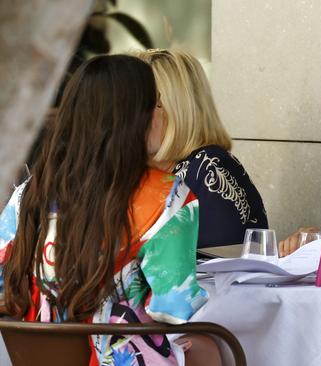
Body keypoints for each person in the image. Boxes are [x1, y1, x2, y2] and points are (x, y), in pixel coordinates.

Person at [0, 55, 218, 365]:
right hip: (121, 359)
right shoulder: (169, 198)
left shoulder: (29, 195)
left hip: (36, 357)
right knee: (209, 343)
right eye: (156, 103)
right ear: (134, 117)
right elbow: (175, 308)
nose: (163, 113)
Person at [135, 49, 268, 249]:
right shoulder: (137, 173)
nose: (131, 116)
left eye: (144, 104)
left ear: (175, 108)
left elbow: (212, 271)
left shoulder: (206, 168)